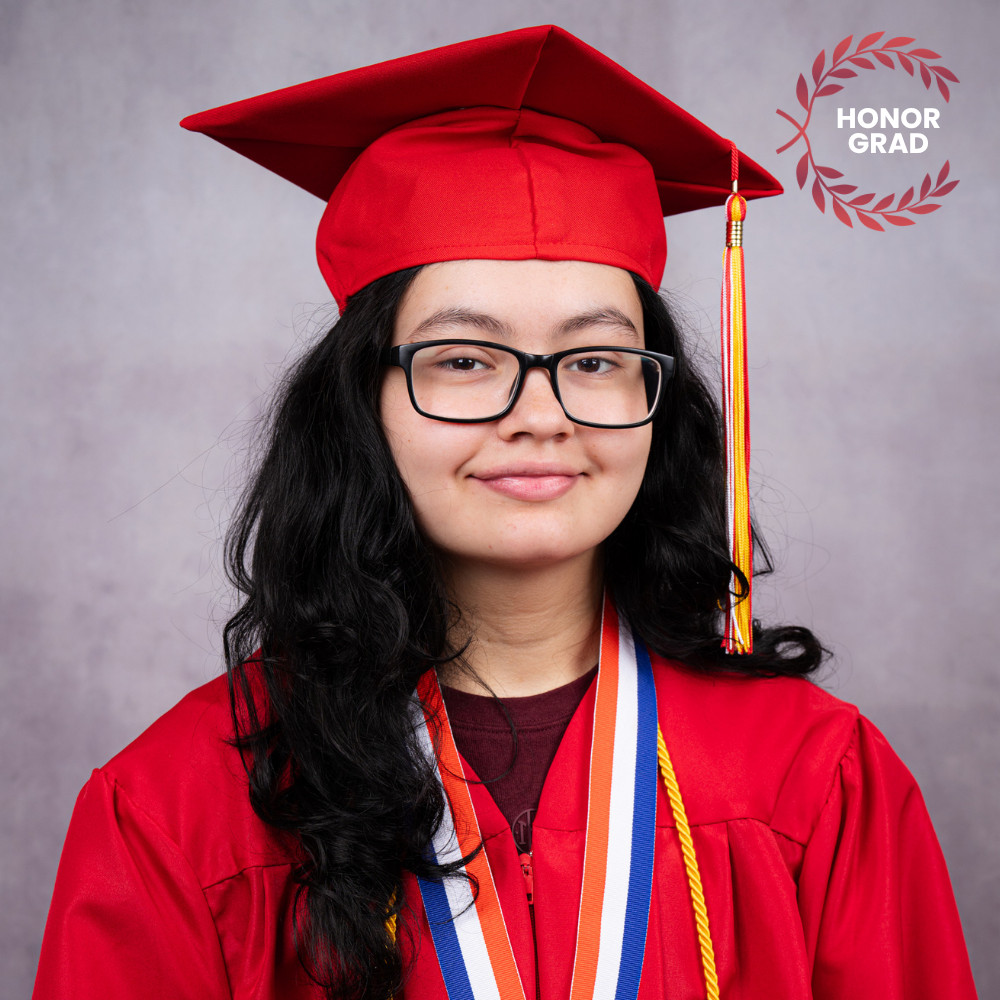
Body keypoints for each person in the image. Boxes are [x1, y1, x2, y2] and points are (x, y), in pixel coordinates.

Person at [32, 24, 977, 1000]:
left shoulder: (815, 777)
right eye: (465, 359)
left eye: (597, 358)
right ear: (365, 401)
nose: (540, 416)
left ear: (660, 400)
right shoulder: (178, 805)